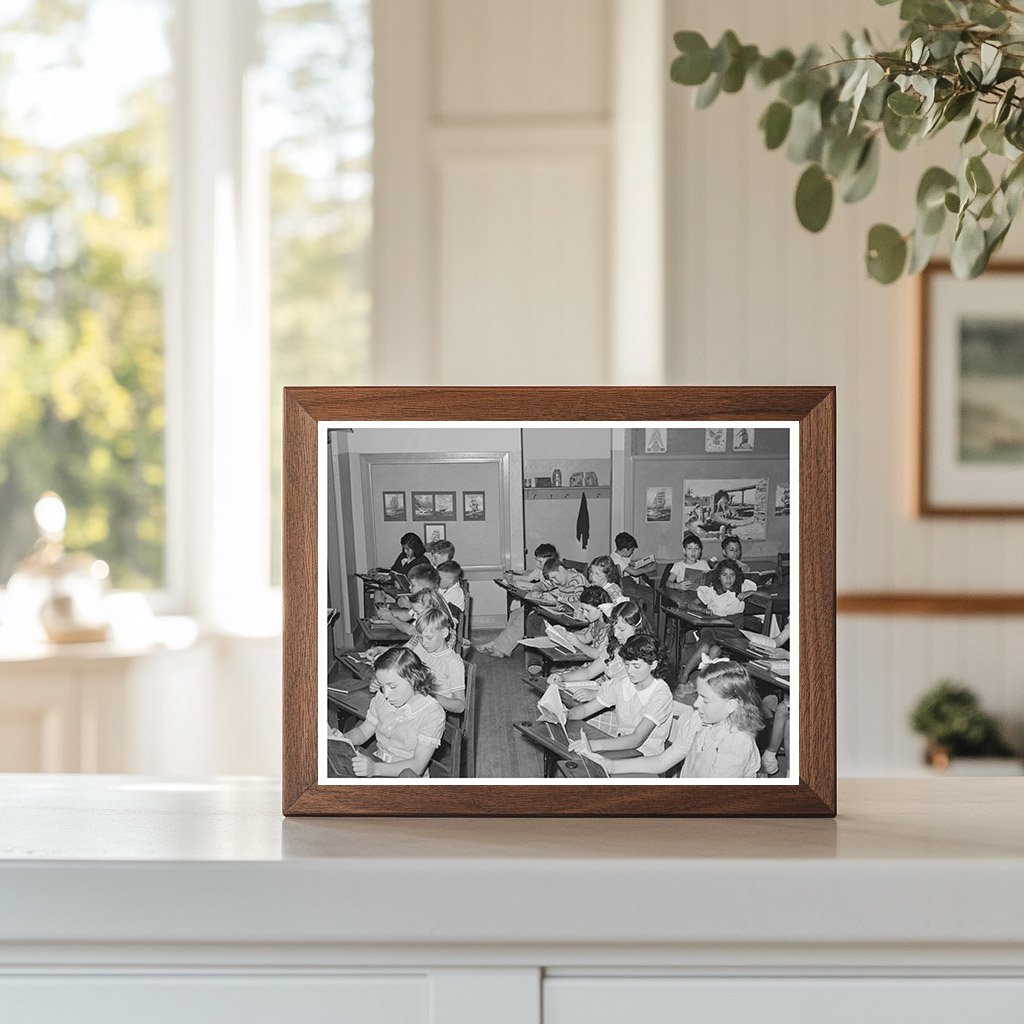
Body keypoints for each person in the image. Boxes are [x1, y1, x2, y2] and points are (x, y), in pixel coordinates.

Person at [581, 659, 764, 778]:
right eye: (698, 696)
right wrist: (611, 765)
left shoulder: (737, 743)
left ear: (731, 705)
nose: (696, 704)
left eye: (705, 700)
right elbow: (662, 761)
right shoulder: (700, 721)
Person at [328, 647, 445, 777]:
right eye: (382, 686)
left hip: (405, 776)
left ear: (414, 679)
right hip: (377, 763)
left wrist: (375, 769)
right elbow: (363, 731)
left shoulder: (432, 713)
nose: (386, 694)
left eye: (392, 686)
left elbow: (417, 766)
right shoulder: (382, 697)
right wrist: (344, 740)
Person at [563, 634, 674, 757]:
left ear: (653, 665)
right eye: (626, 664)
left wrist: (592, 745)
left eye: (636, 666)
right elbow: (585, 710)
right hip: (622, 746)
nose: (629, 671)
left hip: (645, 756)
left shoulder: (661, 694)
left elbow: (636, 739)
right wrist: (566, 714)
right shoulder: (623, 683)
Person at [547, 599, 650, 700]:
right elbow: (589, 672)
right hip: (604, 693)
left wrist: (596, 694)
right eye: (614, 629)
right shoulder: (615, 647)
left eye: (622, 629)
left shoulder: (644, 655)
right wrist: (563, 677)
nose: (615, 634)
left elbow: (631, 690)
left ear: (637, 628)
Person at [477, 544, 558, 657]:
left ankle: (499, 647)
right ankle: (503, 646)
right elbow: (528, 578)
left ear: (551, 561)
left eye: (540, 562)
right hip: (541, 605)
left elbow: (538, 586)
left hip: (551, 608)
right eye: (536, 561)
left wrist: (522, 584)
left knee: (521, 617)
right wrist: (512, 579)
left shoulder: (554, 572)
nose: (537, 565)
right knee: (516, 613)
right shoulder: (540, 570)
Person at [405, 608, 466, 714]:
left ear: (444, 633)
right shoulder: (420, 648)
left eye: (429, 638)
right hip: (415, 702)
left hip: (432, 713)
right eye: (420, 637)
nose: (424, 643)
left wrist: (431, 695)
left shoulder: (453, 663)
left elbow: (460, 706)